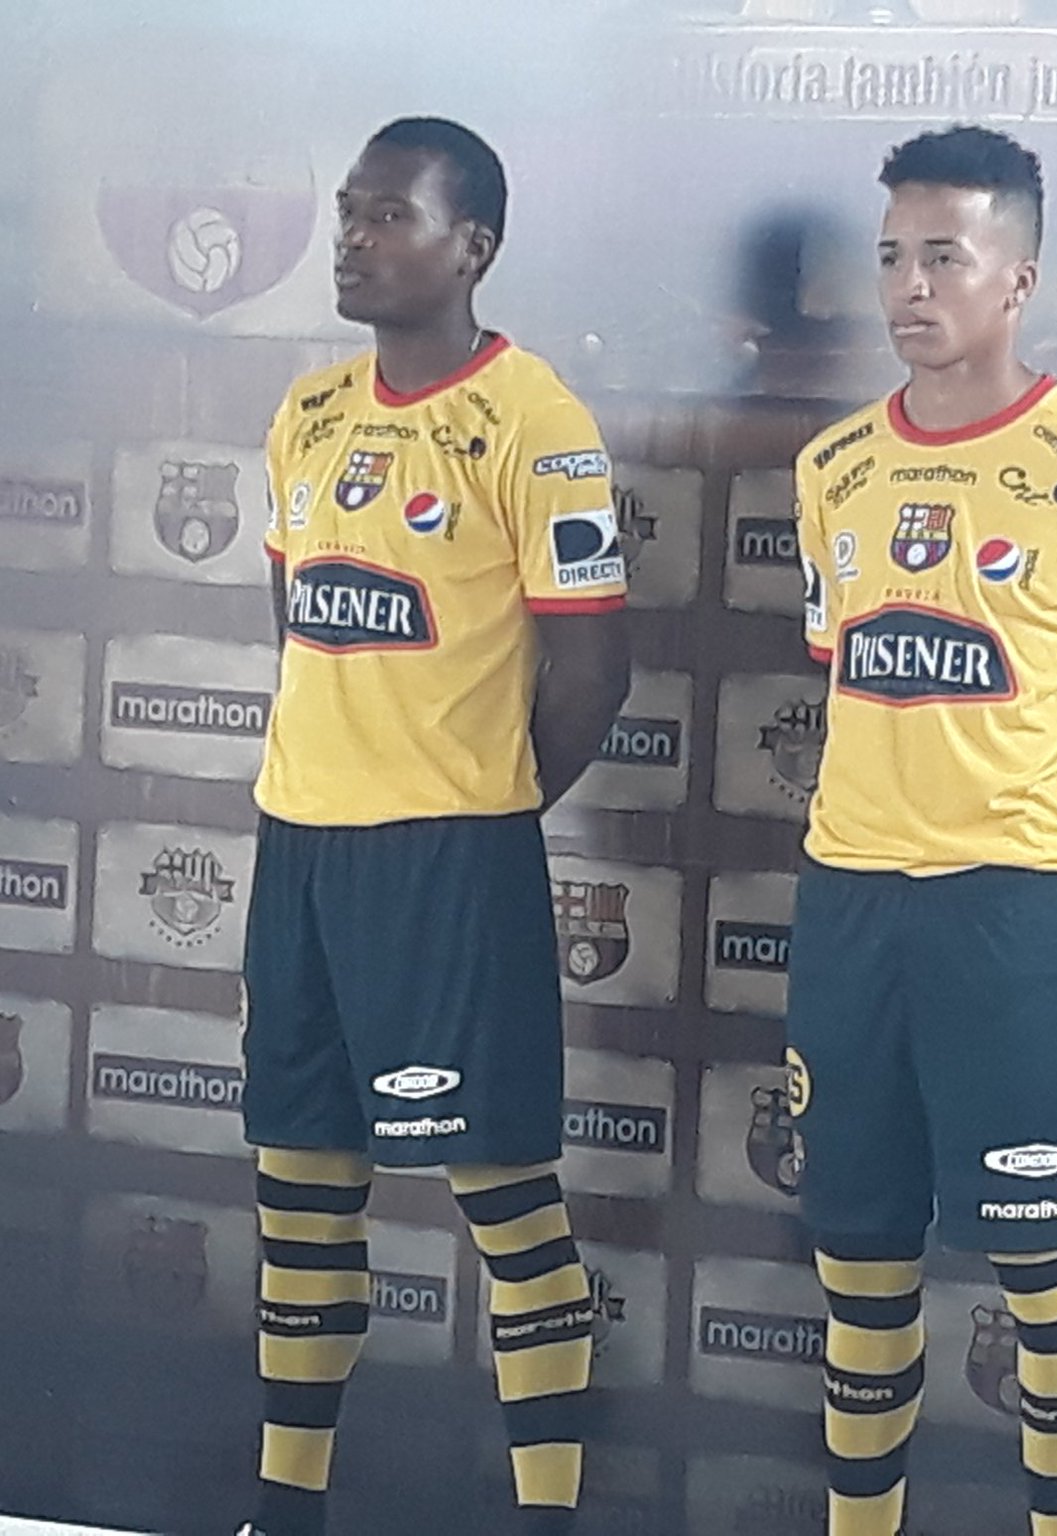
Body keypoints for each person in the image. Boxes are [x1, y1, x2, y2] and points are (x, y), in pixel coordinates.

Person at [787, 125, 1057, 1536]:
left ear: (1019, 277)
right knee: (858, 1275)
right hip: (850, 909)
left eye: (944, 258)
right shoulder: (834, 467)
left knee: (1044, 1282)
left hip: (1011, 911)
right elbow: (854, 674)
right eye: (891, 257)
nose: (910, 287)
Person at [238, 116, 630, 1536]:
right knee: (299, 1197)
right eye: (349, 211)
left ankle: (546, 1518)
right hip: (300, 849)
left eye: (389, 215)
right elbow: (299, 620)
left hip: (448, 861)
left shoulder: (535, 422)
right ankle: (284, 1511)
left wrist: (478, 805)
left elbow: (594, 670)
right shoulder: (307, 412)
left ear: (473, 247)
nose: (353, 239)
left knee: (508, 1207)